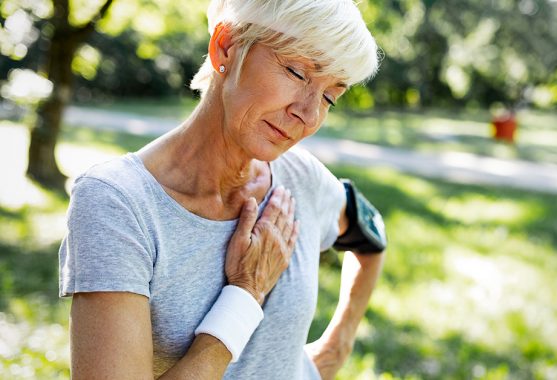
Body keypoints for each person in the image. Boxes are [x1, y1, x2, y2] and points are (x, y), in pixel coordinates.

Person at [58, 0, 385, 378]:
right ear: (225, 46)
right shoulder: (117, 203)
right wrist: (245, 295)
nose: (309, 114)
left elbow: (369, 229)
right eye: (297, 72)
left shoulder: (302, 179)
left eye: (330, 96)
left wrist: (336, 348)